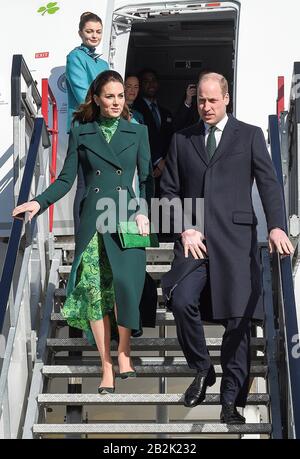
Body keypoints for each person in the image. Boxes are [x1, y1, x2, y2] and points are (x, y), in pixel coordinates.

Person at [160, 72, 294, 423]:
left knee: (238, 324)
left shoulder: (249, 135)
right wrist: (185, 228)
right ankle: (203, 369)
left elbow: (268, 183)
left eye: (212, 100)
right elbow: (168, 192)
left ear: (227, 98)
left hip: (236, 243)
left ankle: (231, 402)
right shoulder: (181, 139)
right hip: (196, 244)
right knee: (181, 298)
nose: (205, 107)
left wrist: (277, 225)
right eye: (201, 100)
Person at [12, 70, 156, 394]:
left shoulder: (138, 132)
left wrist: (145, 212)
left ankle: (124, 351)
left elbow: (146, 180)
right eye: (110, 96)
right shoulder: (81, 131)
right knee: (93, 293)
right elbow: (66, 179)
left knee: (125, 289)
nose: (117, 101)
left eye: (121, 95)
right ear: (96, 98)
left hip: (127, 217)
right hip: (93, 220)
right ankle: (106, 365)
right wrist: (38, 202)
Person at [66, 11, 109, 234]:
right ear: (81, 32)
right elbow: (83, 93)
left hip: (104, 128)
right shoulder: (75, 57)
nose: (94, 36)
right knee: (84, 184)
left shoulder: (103, 63)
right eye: (90, 31)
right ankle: (82, 236)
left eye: (98, 32)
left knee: (100, 185)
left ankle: (99, 232)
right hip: (85, 127)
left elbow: (113, 94)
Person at [133, 68, 173, 189]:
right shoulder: (135, 110)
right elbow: (141, 139)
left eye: (153, 80)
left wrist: (165, 162)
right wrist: (157, 161)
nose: (151, 84)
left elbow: (170, 137)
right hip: (145, 167)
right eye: (146, 81)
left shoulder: (165, 112)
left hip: (165, 170)